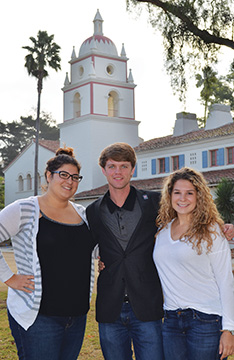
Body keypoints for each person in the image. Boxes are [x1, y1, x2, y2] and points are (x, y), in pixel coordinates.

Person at [0, 147, 95, 360]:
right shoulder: (25, 209)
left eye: (75, 177)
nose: (69, 181)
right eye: (63, 175)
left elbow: (91, 250)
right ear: (49, 176)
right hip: (39, 318)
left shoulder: (82, 214)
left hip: (76, 317)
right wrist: (9, 278)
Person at [86, 142, 164, 360]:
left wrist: (222, 226)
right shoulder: (93, 210)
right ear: (103, 170)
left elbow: (187, 223)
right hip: (110, 308)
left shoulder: (155, 202)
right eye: (112, 166)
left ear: (132, 169)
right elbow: (82, 244)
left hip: (147, 305)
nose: (117, 172)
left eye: (123, 166)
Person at [153, 167, 234, 360]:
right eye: (177, 192)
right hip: (171, 319)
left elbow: (226, 280)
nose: (183, 198)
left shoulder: (212, 231)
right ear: (169, 195)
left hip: (205, 320)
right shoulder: (162, 231)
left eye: (190, 193)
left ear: (199, 197)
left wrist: (229, 329)